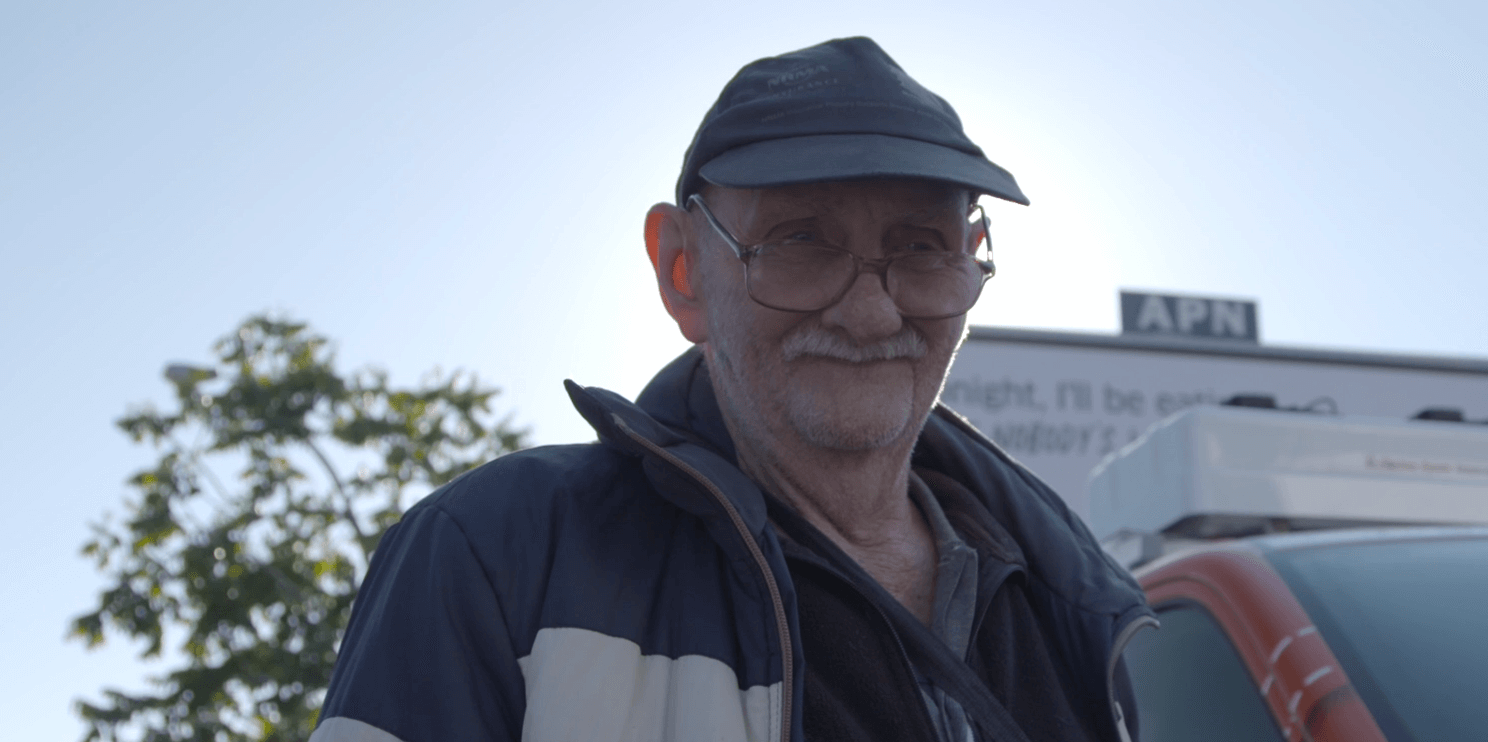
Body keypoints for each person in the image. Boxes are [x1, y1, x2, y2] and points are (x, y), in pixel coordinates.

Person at [312, 37, 1152, 742]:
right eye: (799, 241)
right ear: (683, 270)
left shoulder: (1076, 605)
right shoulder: (497, 555)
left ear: (972, 260)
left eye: (922, 246)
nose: (868, 311)